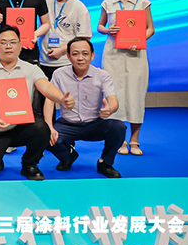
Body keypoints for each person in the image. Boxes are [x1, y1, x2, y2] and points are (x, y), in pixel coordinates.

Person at [0, 26, 75, 180]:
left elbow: (45, 86)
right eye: (3, 42)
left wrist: (61, 99)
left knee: (41, 128)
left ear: (20, 46)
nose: (8, 46)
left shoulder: (30, 69)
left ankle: (29, 164)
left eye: (13, 42)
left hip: (20, 127)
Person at [44, 37, 126, 178]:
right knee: (44, 135)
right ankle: (68, 156)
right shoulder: (59, 74)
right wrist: (49, 127)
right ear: (68, 56)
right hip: (67, 124)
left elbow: (112, 99)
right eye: (75, 54)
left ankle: (105, 163)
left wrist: (110, 109)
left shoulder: (102, 75)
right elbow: (49, 100)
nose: (80, 58)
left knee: (118, 127)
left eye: (85, 53)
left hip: (94, 124)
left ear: (92, 56)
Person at [97, 0, 155, 156]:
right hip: (113, 55)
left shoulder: (143, 3)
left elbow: (150, 29)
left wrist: (140, 41)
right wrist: (108, 30)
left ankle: (134, 140)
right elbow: (100, 26)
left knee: (136, 95)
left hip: (135, 55)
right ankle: (120, 139)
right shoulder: (108, 2)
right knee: (115, 95)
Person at [0, 0, 50, 124]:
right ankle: (7, 131)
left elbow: (46, 24)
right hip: (6, 56)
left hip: (30, 52)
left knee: (33, 99)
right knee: (7, 97)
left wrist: (35, 35)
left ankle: (34, 133)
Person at [37, 0, 92, 80]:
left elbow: (84, 38)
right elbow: (27, 1)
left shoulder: (79, 8)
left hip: (66, 62)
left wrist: (62, 50)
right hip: (43, 61)